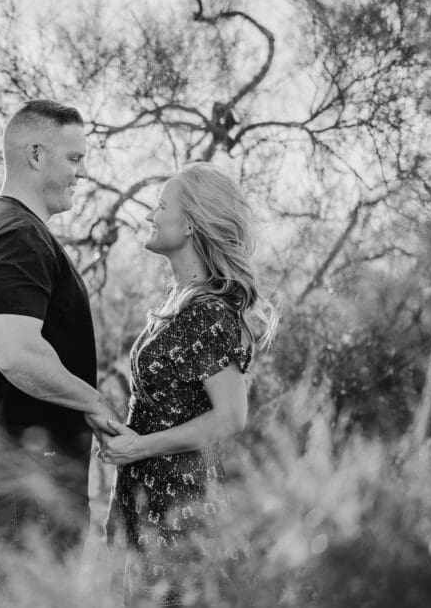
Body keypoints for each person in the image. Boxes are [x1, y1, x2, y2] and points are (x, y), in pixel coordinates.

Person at [0, 99, 120, 604]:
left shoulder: (10, 229)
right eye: (73, 159)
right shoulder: (17, 235)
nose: (80, 173)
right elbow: (16, 352)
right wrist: (94, 403)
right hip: (30, 483)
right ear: (36, 154)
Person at [99, 162, 279, 605]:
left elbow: (231, 417)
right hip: (145, 504)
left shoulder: (211, 312)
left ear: (191, 223)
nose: (149, 215)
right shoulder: (180, 301)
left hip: (182, 517)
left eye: (161, 206)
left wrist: (139, 448)